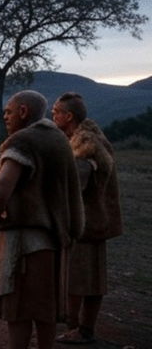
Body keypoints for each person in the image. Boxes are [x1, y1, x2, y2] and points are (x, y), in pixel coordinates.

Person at [0, 90, 84, 349]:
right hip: (54, 240)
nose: (5, 116)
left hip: (24, 242)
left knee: (18, 310)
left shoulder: (23, 142)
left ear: (23, 111)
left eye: (9, 111)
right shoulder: (59, 140)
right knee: (45, 310)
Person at [52, 92, 122, 345]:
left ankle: (82, 329)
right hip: (88, 222)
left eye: (56, 111)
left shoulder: (85, 146)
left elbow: (74, 186)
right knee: (81, 276)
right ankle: (76, 325)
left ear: (68, 116)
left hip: (88, 224)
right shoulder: (81, 140)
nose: (53, 115)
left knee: (86, 278)